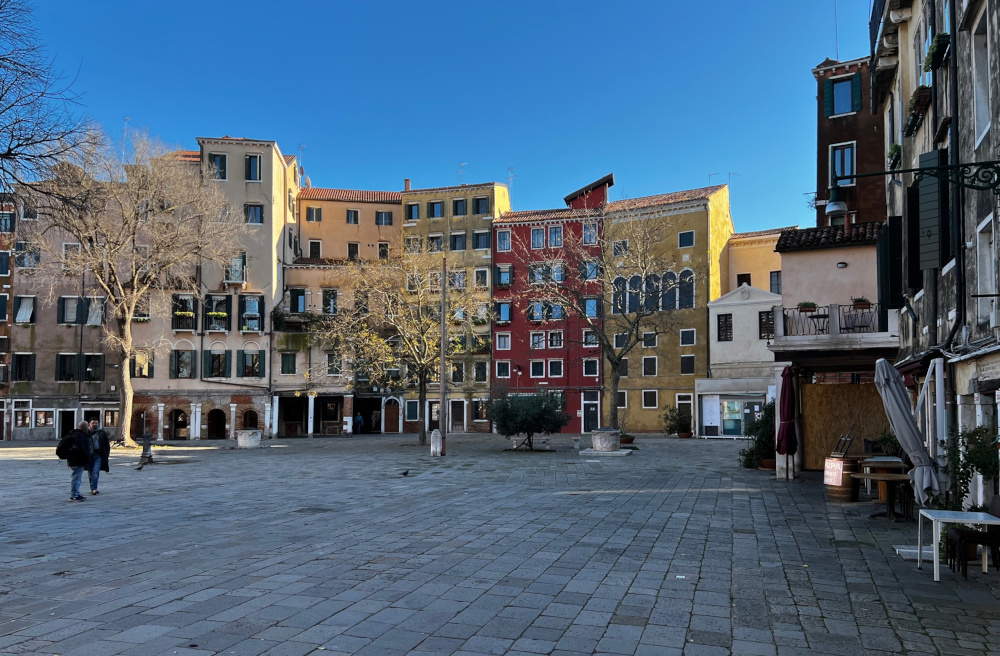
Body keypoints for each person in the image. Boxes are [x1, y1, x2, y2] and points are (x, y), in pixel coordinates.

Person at [64, 422, 92, 502]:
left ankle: (76, 493)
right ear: (85, 428)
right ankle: (74, 496)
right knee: (76, 478)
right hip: (78, 461)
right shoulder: (82, 436)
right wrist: (88, 459)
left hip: (71, 460)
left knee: (76, 477)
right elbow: (84, 450)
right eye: (87, 427)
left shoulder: (73, 434)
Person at [87, 419, 111, 495]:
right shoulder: (85, 433)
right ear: (89, 424)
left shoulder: (101, 433)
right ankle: (93, 488)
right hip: (88, 456)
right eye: (93, 423)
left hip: (98, 455)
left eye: (96, 423)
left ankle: (94, 489)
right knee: (90, 473)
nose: (95, 424)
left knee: (95, 472)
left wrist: (106, 455)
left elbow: (107, 445)